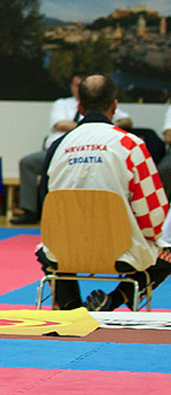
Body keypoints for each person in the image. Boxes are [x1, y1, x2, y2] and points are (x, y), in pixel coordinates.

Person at [37, 73, 171, 311]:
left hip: (64, 251)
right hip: (120, 252)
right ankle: (113, 301)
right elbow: (154, 215)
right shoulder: (131, 145)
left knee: (45, 249)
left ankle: (70, 306)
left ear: (80, 107)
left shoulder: (57, 147)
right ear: (114, 106)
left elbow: (45, 206)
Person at [12, 72, 131, 225]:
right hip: (57, 151)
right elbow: (60, 124)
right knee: (27, 162)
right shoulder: (62, 104)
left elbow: (127, 120)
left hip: (94, 151)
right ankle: (31, 211)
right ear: (71, 87)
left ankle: (102, 214)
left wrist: (109, 126)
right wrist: (91, 126)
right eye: (77, 85)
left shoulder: (104, 106)